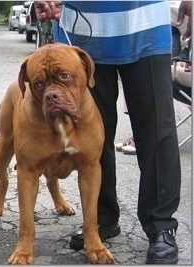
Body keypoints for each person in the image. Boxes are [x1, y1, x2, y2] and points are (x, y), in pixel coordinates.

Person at [35, 1, 191, 264]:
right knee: (92, 137)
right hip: (81, 36)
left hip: (145, 26)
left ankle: (161, 225)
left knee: (157, 133)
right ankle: (102, 219)